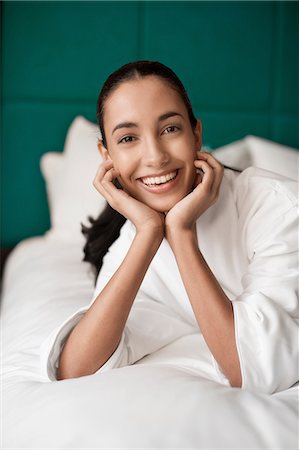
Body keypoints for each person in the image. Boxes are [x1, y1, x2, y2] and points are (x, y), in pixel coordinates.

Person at [40, 60, 298, 394]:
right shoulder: (133, 245)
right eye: (129, 138)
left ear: (196, 134)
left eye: (170, 129)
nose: (156, 156)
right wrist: (149, 233)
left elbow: (251, 368)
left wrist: (182, 234)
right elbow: (74, 369)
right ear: (107, 156)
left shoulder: (278, 208)